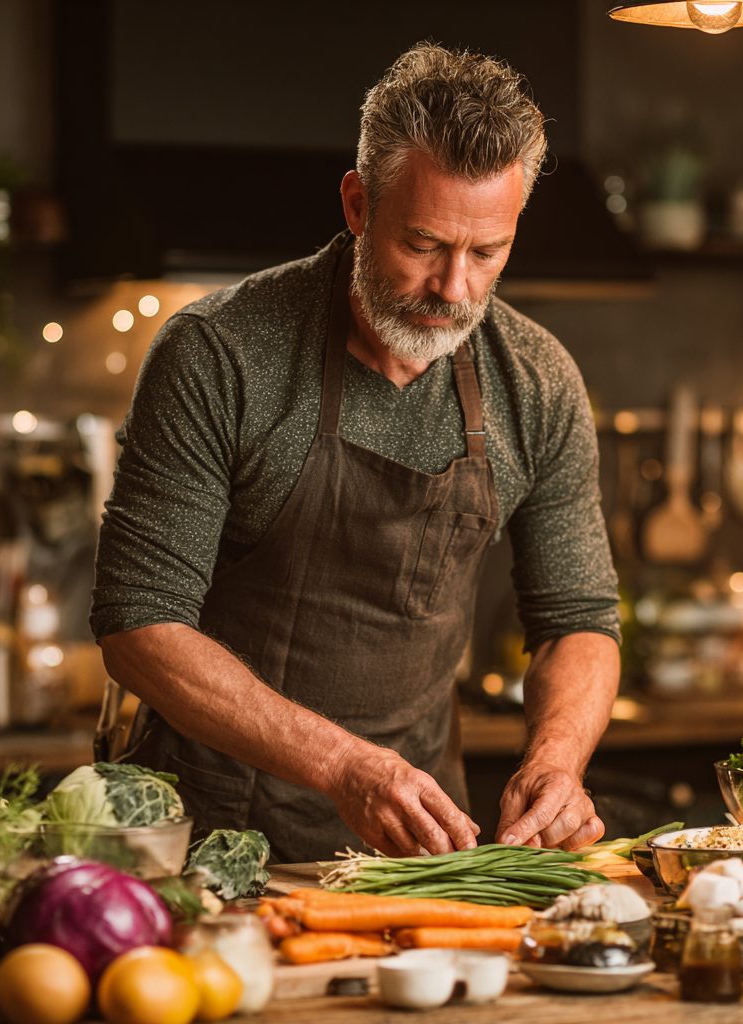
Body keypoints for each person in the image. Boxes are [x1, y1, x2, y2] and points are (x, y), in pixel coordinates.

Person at [92, 43, 621, 865]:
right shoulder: (221, 353)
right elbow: (138, 622)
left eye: (486, 253)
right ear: (357, 204)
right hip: (199, 846)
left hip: (414, 857)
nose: (454, 288)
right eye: (424, 244)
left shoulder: (537, 381)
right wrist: (344, 765)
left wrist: (557, 759)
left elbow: (578, 621)